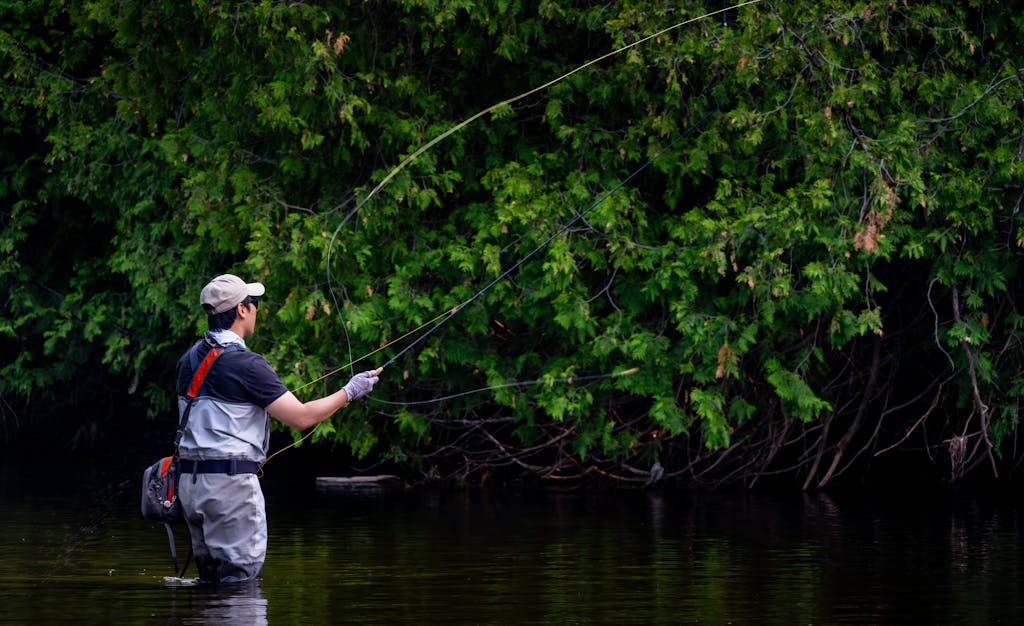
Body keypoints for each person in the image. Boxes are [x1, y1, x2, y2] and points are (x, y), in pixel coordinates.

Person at [175, 273, 382, 583]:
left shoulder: (189, 359)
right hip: (228, 490)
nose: (257, 309)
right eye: (253, 303)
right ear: (242, 310)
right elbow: (300, 417)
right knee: (240, 583)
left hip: (190, 485)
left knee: (212, 583)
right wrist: (350, 391)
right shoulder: (246, 364)